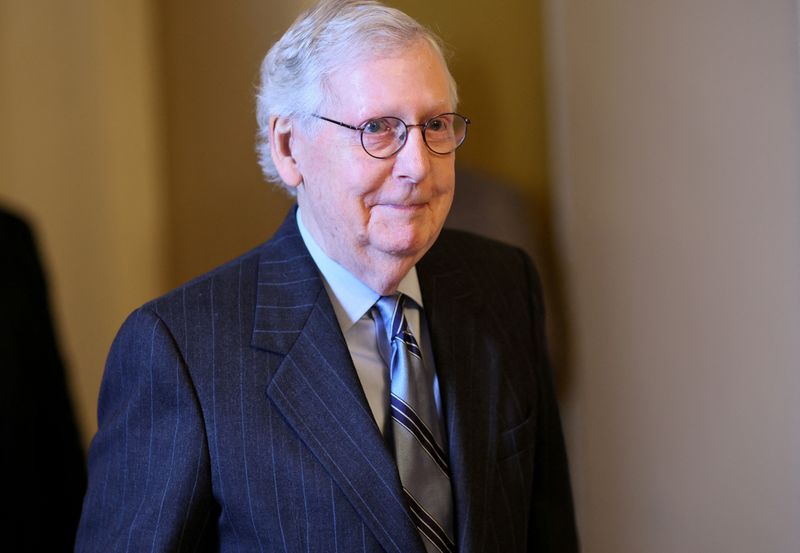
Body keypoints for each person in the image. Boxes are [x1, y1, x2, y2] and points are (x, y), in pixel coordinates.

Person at [75, 1, 578, 551]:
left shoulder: (504, 285)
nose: (417, 165)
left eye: (434, 125)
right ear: (289, 148)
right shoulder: (181, 352)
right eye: (378, 129)